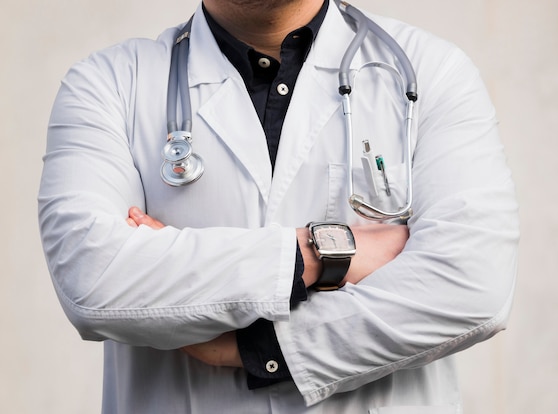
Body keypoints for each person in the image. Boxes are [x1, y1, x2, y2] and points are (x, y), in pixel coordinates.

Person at [38, 0, 519, 412]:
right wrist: (319, 253)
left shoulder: (430, 72)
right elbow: (96, 284)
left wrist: (259, 349)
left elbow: (472, 286)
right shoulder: (107, 86)